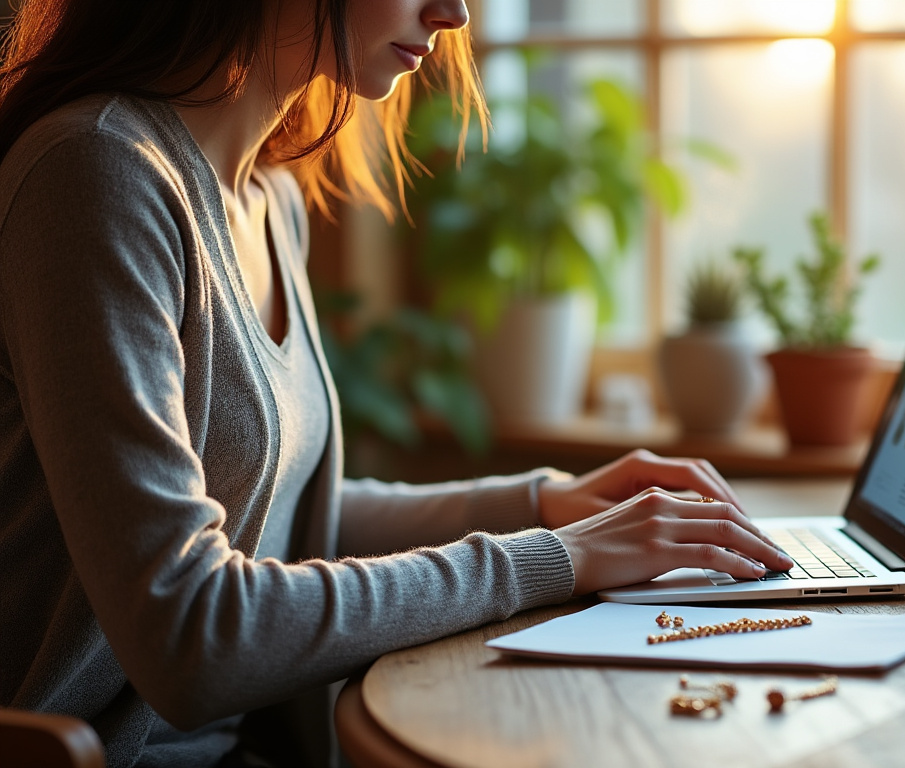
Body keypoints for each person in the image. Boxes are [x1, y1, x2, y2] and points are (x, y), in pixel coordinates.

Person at [0, 2, 793, 766]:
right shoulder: (95, 174)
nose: (455, 14)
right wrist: (559, 557)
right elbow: (193, 636)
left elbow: (285, 522)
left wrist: (544, 503)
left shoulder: (269, 197)